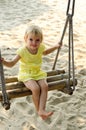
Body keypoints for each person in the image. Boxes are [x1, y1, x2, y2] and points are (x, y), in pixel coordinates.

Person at [1, 25, 62, 120]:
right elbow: (12, 63)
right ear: (25, 39)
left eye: (37, 40)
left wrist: (55, 47)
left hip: (37, 73)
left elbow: (46, 52)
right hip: (26, 74)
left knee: (45, 86)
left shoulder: (40, 48)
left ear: (41, 40)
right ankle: (39, 110)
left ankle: (42, 109)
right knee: (36, 88)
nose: (34, 43)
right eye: (31, 39)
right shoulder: (22, 51)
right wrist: (3, 62)